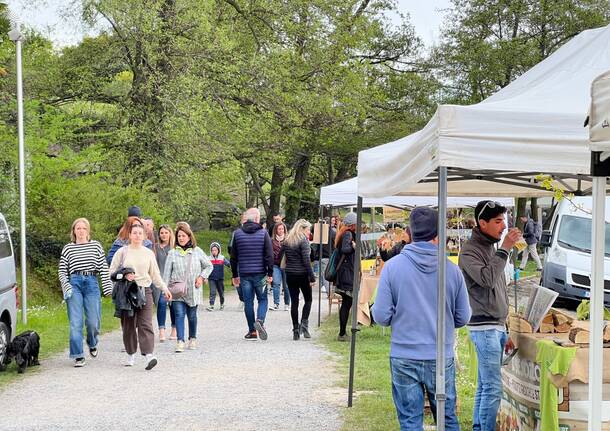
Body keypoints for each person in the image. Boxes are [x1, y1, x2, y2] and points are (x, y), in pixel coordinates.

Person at [372, 207, 471, 430]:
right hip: (440, 353)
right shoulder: (452, 270)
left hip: (404, 353)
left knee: (410, 422)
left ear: (410, 232)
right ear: (438, 234)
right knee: (447, 421)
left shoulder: (392, 268)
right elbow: (463, 317)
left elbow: (380, 316)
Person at [459, 200, 520, 431]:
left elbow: (499, 290)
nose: (503, 226)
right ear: (482, 223)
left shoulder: (491, 248)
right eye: (497, 221)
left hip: (494, 326)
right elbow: (486, 279)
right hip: (483, 327)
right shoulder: (469, 251)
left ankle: (478, 426)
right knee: (493, 387)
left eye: (503, 220)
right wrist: (505, 248)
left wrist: (506, 329)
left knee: (485, 385)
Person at [109, 221, 172, 370]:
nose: (137, 235)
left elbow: (155, 275)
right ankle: (131, 353)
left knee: (145, 324)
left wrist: (164, 288)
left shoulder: (149, 253)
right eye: (134, 233)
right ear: (130, 235)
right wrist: (124, 276)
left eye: (140, 233)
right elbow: (111, 273)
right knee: (129, 325)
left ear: (145, 236)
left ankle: (149, 354)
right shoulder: (122, 252)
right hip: (127, 292)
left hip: (145, 291)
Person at [58, 218, 113, 367]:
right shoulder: (68, 248)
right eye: (78, 228)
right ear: (74, 231)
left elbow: (103, 268)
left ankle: (92, 341)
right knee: (76, 322)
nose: (81, 231)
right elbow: (62, 271)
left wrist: (108, 288)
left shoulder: (95, 246)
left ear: (88, 231)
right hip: (74, 283)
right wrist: (67, 286)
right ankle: (78, 355)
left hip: (91, 283)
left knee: (93, 322)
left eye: (83, 228)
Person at [163, 222, 213, 352]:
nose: (181, 238)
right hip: (177, 291)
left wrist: (201, 277)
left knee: (192, 316)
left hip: (193, 290)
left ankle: (192, 338)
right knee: (179, 314)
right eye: (179, 236)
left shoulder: (197, 251)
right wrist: (165, 289)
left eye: (183, 236)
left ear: (189, 237)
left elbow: (209, 265)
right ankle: (180, 341)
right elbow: (167, 273)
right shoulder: (172, 253)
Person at [230, 208, 274, 341]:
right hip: (260, 274)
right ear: (256, 219)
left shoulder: (237, 234)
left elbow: (233, 257)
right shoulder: (263, 233)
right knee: (262, 299)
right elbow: (269, 255)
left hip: (244, 274)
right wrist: (270, 273)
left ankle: (252, 331)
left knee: (248, 302)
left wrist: (234, 275)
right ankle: (260, 320)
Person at [280, 219, 317, 340]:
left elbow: (280, 256)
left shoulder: (287, 240)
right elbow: (307, 261)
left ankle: (295, 329)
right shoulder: (303, 241)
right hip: (302, 274)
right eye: (308, 230)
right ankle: (304, 325)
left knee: (294, 302)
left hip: (290, 274)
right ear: (302, 229)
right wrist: (312, 277)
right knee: (308, 300)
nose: (309, 233)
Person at [334, 212, 357, 342]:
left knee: (347, 303)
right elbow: (345, 249)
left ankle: (342, 332)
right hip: (346, 273)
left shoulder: (343, 233)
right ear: (352, 224)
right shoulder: (348, 233)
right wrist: (354, 247)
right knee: (347, 303)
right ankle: (342, 333)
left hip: (344, 272)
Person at [154, 224, 175, 342]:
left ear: (170, 234)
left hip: (173, 281)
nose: (164, 235)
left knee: (173, 305)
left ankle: (174, 329)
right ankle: (161, 330)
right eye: (162, 233)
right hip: (160, 281)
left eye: (166, 232)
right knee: (161, 303)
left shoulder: (174, 248)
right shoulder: (156, 247)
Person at [270, 222, 290, 311]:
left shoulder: (288, 240)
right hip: (275, 265)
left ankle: (287, 304)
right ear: (276, 230)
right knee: (276, 284)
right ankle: (276, 303)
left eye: (282, 229)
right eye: (279, 229)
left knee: (286, 285)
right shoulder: (272, 241)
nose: (281, 231)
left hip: (286, 265)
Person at [207, 241, 230, 311]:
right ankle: (211, 305)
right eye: (212, 250)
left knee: (221, 292)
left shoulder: (222, 258)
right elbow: (204, 267)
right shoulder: (208, 259)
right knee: (212, 292)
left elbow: (229, 264)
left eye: (215, 250)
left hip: (220, 278)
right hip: (211, 278)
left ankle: (222, 304)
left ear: (218, 250)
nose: (214, 251)